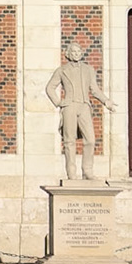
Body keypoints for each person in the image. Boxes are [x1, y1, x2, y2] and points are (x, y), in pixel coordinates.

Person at [45, 40, 117, 182]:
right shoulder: (62, 70)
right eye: (73, 52)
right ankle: (71, 172)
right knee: (69, 141)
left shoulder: (88, 70)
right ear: (68, 54)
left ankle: (87, 170)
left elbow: (94, 90)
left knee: (90, 139)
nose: (76, 54)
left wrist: (106, 101)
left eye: (78, 52)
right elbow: (50, 88)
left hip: (84, 106)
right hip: (69, 106)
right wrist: (59, 103)